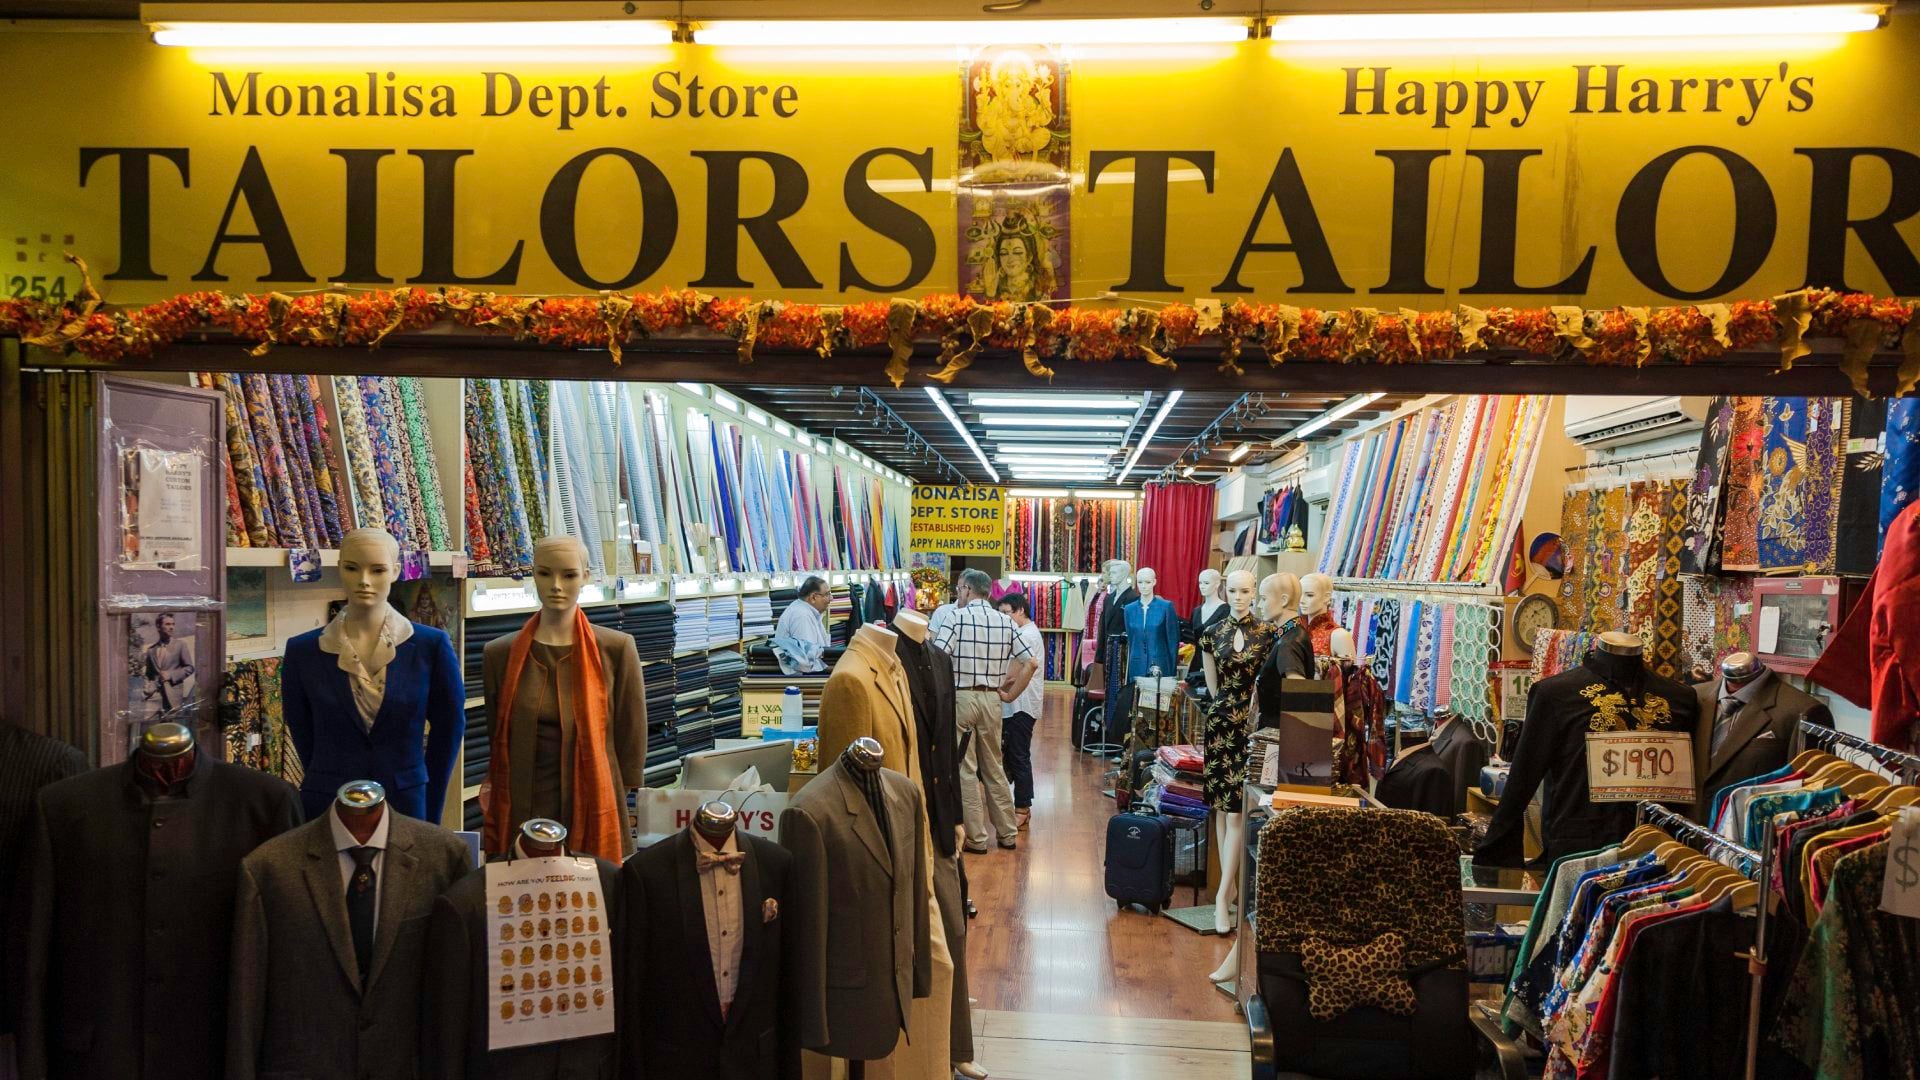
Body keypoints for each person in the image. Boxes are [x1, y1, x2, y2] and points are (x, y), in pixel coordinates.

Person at [933, 569, 1037, 854]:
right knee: (994, 766)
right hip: (992, 699)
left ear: (967, 589)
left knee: (965, 768)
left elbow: (938, 657)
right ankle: (1007, 834)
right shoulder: (1005, 621)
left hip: (962, 698)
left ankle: (977, 839)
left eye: (959, 589)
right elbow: (1031, 663)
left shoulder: (955, 618)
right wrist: (1010, 695)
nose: (958, 593)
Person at [996, 592, 1045, 833]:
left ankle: (1022, 808)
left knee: (1018, 754)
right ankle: (1021, 806)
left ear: (1020, 610)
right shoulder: (1025, 632)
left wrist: (995, 687)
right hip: (1019, 703)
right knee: (1015, 753)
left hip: (1021, 704)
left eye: (1007, 613)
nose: (1004, 618)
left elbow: (1013, 674)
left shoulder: (1026, 635)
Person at [772, 576, 833, 674]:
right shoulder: (801, 616)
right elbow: (807, 660)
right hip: (802, 678)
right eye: (827, 594)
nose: (831, 598)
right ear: (813, 597)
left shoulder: (808, 612)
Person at [141, 612, 196, 718]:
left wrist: (171, 675)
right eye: (167, 624)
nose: (171, 627)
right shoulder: (151, 650)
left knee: (171, 725)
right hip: (154, 695)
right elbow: (148, 674)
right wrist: (147, 687)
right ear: (158, 627)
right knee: (146, 723)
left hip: (172, 696)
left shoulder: (180, 645)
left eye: (173, 624)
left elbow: (189, 668)